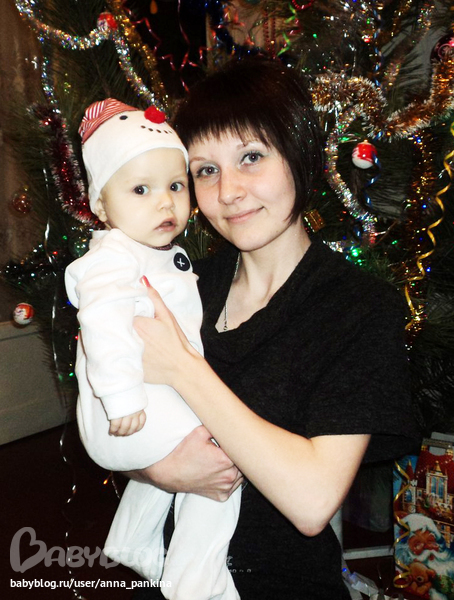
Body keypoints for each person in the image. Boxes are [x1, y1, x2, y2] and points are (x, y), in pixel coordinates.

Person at [129, 57, 421, 600]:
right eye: (206, 170)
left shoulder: (358, 308)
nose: (228, 192)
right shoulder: (182, 285)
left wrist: (185, 370)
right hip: (166, 577)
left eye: (251, 157)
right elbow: (118, 420)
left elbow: (311, 502)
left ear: (300, 156)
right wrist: (157, 472)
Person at [65, 99, 241, 600]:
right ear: (101, 206)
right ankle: (196, 581)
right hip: (124, 410)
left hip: (140, 407)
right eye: (140, 190)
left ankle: (135, 539)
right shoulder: (113, 259)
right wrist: (121, 397)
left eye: (175, 186)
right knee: (227, 455)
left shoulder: (156, 253)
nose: (164, 203)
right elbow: (102, 325)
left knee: (194, 451)